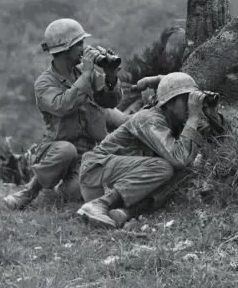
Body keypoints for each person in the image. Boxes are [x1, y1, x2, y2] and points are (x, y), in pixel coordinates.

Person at [3, 18, 127, 210]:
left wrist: (111, 76)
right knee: (66, 150)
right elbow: (63, 106)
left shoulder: (85, 74)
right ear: (65, 49)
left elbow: (110, 102)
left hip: (86, 154)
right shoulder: (44, 83)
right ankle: (29, 191)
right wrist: (86, 76)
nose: (84, 49)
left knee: (76, 192)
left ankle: (58, 190)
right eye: (79, 44)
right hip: (56, 150)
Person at [75, 72, 215, 229]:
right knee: (163, 167)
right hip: (96, 173)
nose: (191, 105)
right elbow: (179, 158)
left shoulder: (176, 121)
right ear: (168, 103)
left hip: (118, 179)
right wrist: (193, 118)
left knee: (185, 171)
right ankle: (99, 204)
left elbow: (221, 139)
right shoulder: (148, 119)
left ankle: (125, 212)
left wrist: (211, 114)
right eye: (186, 99)